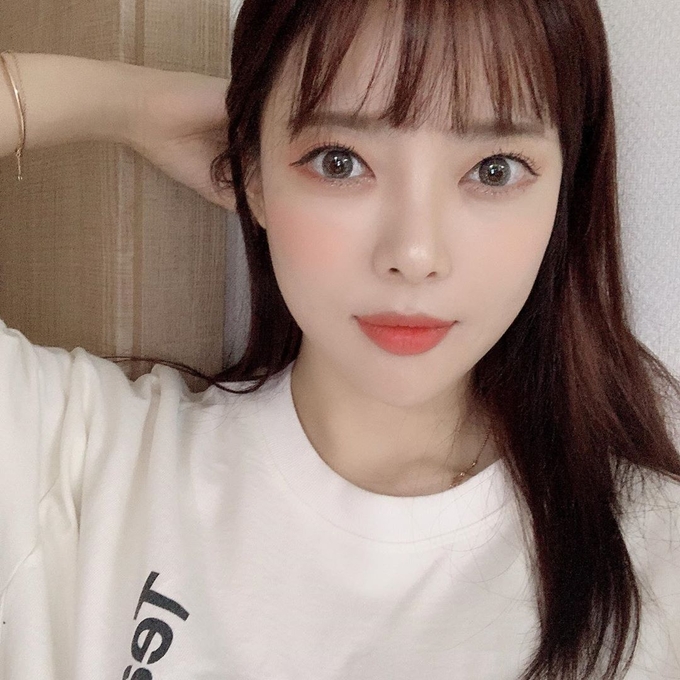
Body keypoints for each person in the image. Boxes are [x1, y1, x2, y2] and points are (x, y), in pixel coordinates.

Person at [1, 0, 679, 678]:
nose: (414, 254)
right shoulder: (83, 462)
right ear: (252, 175)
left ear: (564, 193)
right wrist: (130, 105)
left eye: (494, 169)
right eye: (338, 161)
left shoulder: (660, 561)